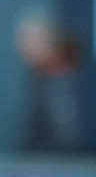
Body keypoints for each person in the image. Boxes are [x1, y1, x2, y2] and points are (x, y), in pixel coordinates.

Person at [18, 13, 85, 153]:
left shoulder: (64, 81)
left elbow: (67, 136)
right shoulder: (38, 79)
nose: (23, 47)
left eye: (30, 39)